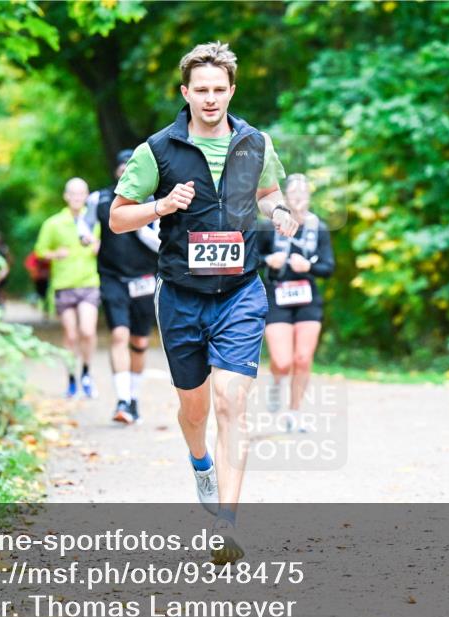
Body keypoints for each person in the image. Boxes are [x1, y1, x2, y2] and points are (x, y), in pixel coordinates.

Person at [109, 41, 297, 562]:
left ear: (231, 90)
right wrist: (162, 205)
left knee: (231, 401)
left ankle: (229, 526)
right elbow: (118, 218)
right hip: (182, 296)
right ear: (185, 92)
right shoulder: (158, 150)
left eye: (220, 90)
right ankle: (201, 465)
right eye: (202, 90)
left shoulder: (256, 143)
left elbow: (268, 193)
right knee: (193, 408)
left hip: (240, 290)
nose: (211, 99)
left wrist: (280, 212)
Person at [83, 149, 161, 424]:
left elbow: (162, 244)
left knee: (139, 341)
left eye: (130, 165)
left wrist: (141, 230)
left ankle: (134, 398)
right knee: (119, 335)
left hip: (144, 278)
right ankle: (122, 400)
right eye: (121, 165)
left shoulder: (153, 201)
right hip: (111, 276)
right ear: (116, 170)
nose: (125, 168)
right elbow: (85, 223)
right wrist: (85, 237)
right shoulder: (100, 198)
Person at [259, 174, 335, 432]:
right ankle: (277, 384)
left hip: (307, 298)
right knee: (282, 361)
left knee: (302, 358)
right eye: (294, 191)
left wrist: (309, 266)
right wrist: (269, 260)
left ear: (309, 196)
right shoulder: (269, 226)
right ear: (285, 196)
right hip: (277, 295)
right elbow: (250, 258)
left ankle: (294, 413)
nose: (299, 196)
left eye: (304, 191)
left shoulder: (319, 227)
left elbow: (328, 267)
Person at [35, 177, 102, 399]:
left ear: (86, 195)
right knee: (71, 336)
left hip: (89, 283)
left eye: (81, 193)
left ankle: (86, 373)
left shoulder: (94, 221)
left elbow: (102, 244)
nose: (77, 197)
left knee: (88, 331)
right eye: (73, 193)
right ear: (66, 196)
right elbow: (39, 251)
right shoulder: (53, 223)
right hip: (64, 285)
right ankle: (71, 378)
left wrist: (97, 246)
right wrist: (55, 254)